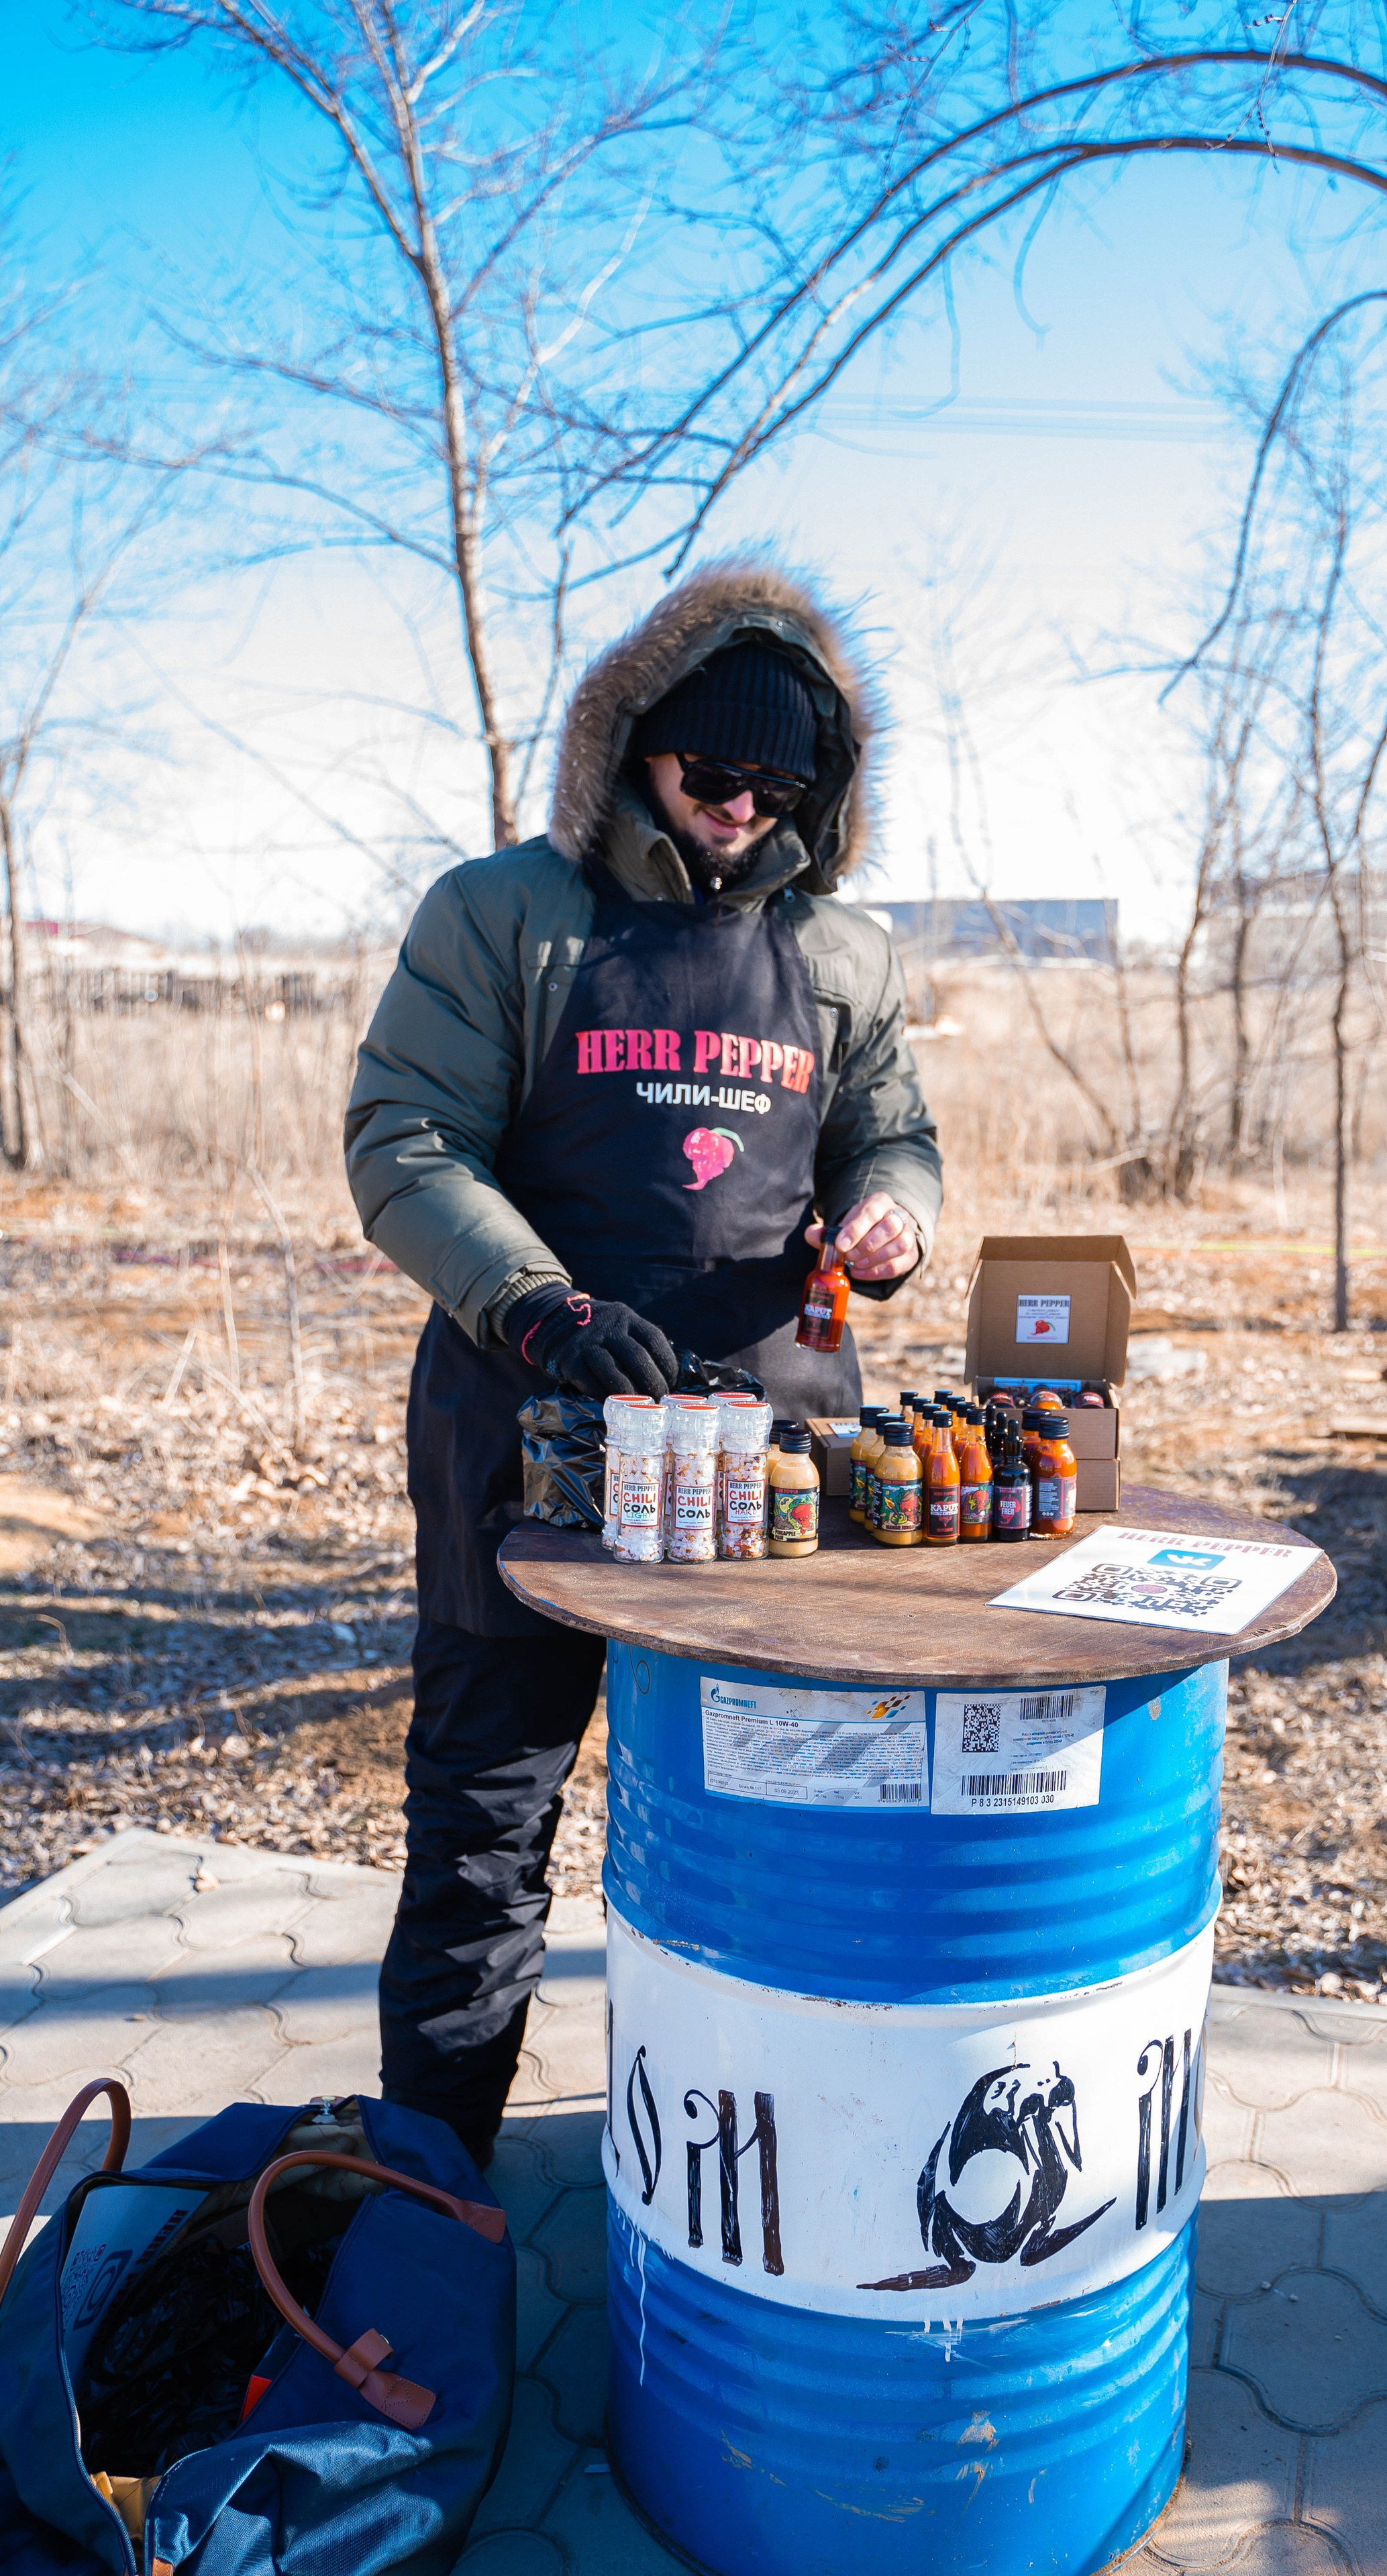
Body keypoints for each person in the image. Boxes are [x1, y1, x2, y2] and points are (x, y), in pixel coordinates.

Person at [345, 562, 942, 2161]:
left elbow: (891, 1131)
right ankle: (435, 2187)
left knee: (787, 1829)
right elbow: (404, 1143)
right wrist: (540, 1307)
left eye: (781, 784)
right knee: (482, 1833)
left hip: (769, 1472)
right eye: (712, 772)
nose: (745, 807)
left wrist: (892, 1212)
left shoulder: (843, 956)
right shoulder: (504, 914)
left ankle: (784, 2167)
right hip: (524, 1444)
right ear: (634, 748)